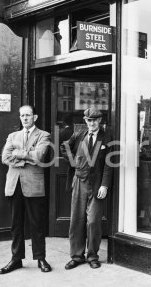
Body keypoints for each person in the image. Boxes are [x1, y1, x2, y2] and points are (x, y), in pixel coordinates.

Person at [0, 105, 52, 274]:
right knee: (16, 225)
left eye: (28, 115)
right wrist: (27, 155)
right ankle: (16, 259)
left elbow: (39, 156)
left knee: (36, 224)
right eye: (22, 115)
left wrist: (18, 153)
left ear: (34, 117)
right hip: (14, 186)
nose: (25, 118)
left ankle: (40, 258)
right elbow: (5, 157)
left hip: (34, 185)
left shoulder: (43, 135)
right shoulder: (12, 135)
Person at [62, 107, 113, 270]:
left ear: (100, 121)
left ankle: (92, 256)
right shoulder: (79, 135)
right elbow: (65, 148)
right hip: (79, 182)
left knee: (93, 222)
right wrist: (73, 162)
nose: (92, 123)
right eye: (89, 120)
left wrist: (104, 185)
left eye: (95, 120)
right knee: (77, 219)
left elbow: (109, 164)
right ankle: (76, 256)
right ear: (85, 121)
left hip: (97, 184)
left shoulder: (107, 138)